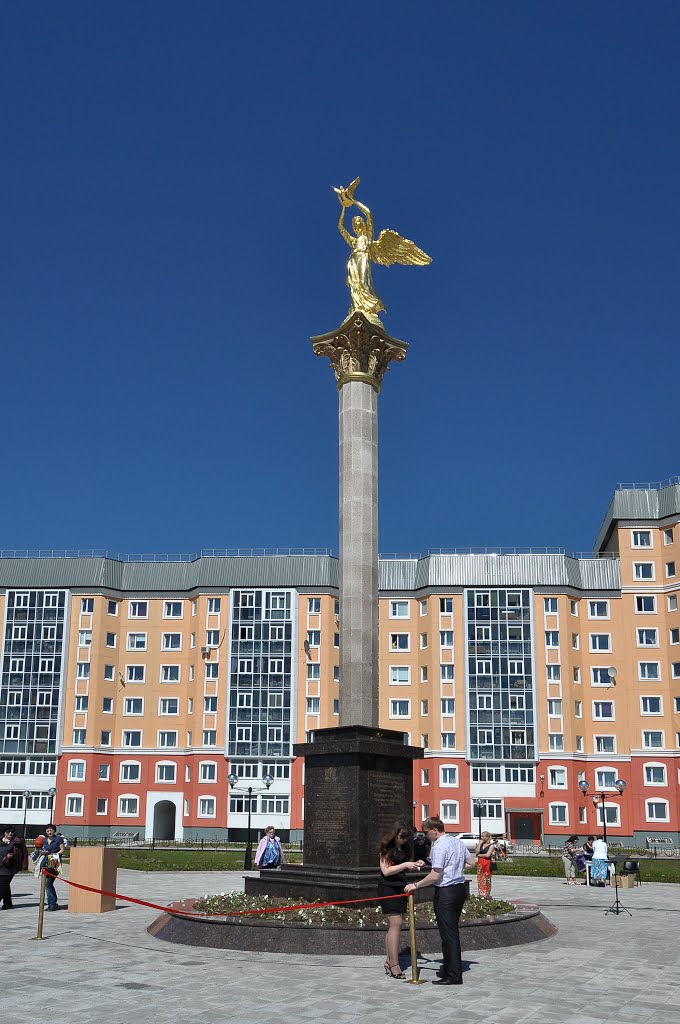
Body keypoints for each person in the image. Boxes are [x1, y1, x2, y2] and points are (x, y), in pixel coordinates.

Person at [405, 816, 476, 986]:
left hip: (446, 892)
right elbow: (471, 862)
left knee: (448, 934)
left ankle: (453, 975)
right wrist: (455, 869)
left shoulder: (439, 845)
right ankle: (449, 968)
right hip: (459, 890)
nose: (426, 836)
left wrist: (416, 884)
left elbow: (435, 875)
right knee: (452, 931)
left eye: (427, 832)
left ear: (435, 831)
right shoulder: (457, 842)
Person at [378, 822, 424, 979]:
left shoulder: (404, 848)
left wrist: (416, 865)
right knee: (396, 923)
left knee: (395, 924)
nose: (404, 840)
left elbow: (402, 867)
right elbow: (386, 870)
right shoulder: (387, 848)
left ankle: (389, 961)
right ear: (394, 835)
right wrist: (405, 864)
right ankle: (394, 964)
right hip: (388, 887)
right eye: (402, 836)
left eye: (407, 837)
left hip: (400, 887)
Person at [33, 824, 65, 910]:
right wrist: (44, 852)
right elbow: (44, 848)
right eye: (48, 831)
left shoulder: (58, 839)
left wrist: (56, 854)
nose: (49, 832)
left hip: (54, 860)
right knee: (47, 883)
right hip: (46, 861)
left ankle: (52, 904)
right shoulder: (44, 840)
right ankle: (52, 903)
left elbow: (62, 849)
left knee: (48, 883)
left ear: (54, 831)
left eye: (51, 830)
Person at [0, 826, 21, 909]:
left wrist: (12, 856)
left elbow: (20, 855)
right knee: (5, 886)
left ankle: (7, 903)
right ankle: (8, 904)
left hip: (9, 868)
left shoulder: (16, 842)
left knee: (2, 886)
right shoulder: (0, 841)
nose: (10, 833)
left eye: (12, 832)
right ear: (4, 832)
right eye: (8, 832)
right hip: (0, 866)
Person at [475, 831, 495, 897]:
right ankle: (481, 893)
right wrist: (479, 844)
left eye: (484, 836)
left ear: (488, 837)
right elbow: (476, 852)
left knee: (486, 878)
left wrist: (480, 855)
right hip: (480, 863)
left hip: (487, 863)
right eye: (482, 836)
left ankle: (486, 893)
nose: (482, 837)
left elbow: (487, 855)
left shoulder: (491, 845)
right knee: (480, 877)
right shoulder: (481, 844)